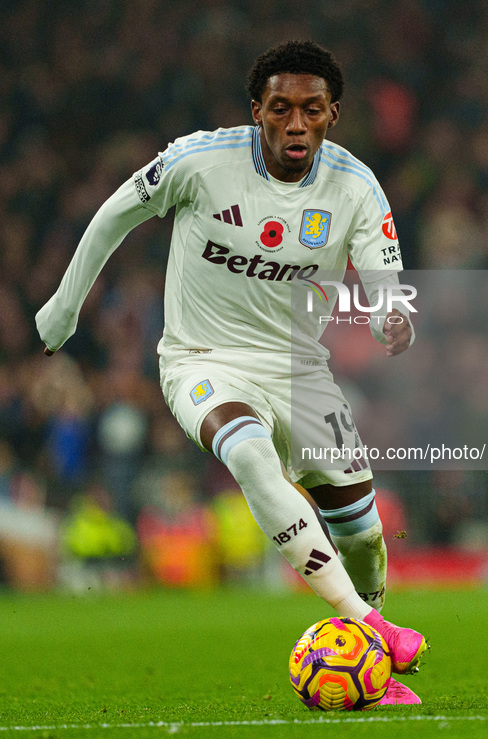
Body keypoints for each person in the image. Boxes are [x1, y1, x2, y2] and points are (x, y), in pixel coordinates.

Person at [36, 40, 427, 705]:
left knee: (361, 531)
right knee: (246, 454)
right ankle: (373, 627)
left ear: (333, 113)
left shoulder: (356, 187)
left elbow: (387, 278)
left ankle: (370, 647)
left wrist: (392, 314)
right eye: (280, 108)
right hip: (202, 360)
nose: (295, 123)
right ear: (257, 111)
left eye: (310, 109)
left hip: (302, 373)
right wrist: (65, 306)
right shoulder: (199, 161)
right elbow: (114, 213)